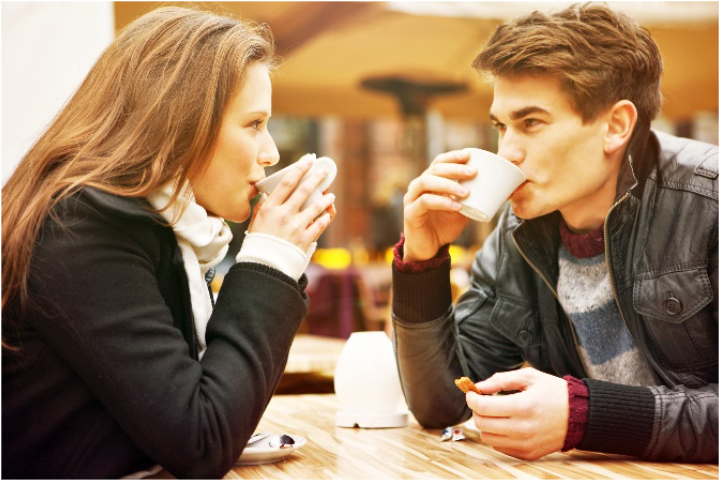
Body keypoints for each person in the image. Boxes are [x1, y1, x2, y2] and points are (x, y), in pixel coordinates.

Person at [1, 7, 336, 479]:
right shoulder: (79, 225)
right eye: (254, 124)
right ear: (181, 122)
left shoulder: (157, 228)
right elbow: (201, 440)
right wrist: (272, 262)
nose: (272, 152)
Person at [393, 2, 718, 463]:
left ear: (615, 126)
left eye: (531, 123)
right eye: (501, 126)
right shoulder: (517, 233)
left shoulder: (708, 204)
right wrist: (422, 261)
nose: (507, 152)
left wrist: (586, 415)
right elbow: (441, 405)